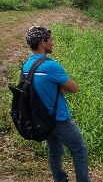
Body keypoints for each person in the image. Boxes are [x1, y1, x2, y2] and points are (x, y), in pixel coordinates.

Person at [23, 26, 91, 182]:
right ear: (42, 42)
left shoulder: (26, 65)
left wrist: (56, 87)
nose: (53, 43)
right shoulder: (51, 66)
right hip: (60, 119)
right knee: (79, 149)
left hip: (42, 119)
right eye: (50, 40)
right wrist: (60, 87)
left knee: (54, 151)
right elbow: (74, 88)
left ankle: (60, 180)